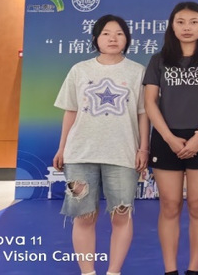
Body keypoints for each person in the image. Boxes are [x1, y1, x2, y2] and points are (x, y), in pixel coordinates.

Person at [53, 14, 148, 275]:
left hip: (123, 154)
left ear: (127, 39)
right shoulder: (79, 70)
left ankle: (114, 271)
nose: (113, 38)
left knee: (121, 214)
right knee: (83, 216)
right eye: (106, 33)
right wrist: (62, 148)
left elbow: (143, 114)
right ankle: (88, 272)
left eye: (119, 33)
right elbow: (70, 111)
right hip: (80, 154)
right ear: (96, 38)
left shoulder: (138, 71)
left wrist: (143, 148)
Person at [143, 2, 198, 275]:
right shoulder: (158, 60)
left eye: (194, 22)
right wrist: (168, 138)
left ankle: (194, 269)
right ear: (172, 26)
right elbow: (150, 102)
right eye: (180, 22)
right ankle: (170, 269)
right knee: (169, 205)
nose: (187, 27)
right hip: (166, 137)